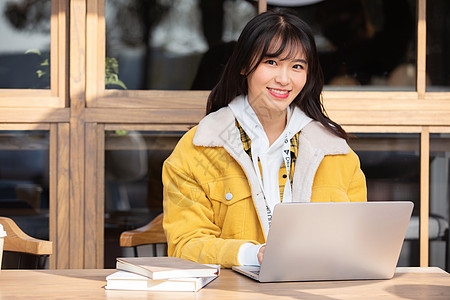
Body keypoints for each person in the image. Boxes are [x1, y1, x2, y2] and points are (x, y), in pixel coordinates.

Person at [162, 9, 367, 268]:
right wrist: (252, 254)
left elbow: (359, 239)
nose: (283, 79)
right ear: (245, 65)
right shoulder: (198, 149)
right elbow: (185, 245)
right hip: (232, 293)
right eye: (271, 62)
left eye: (297, 66)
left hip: (316, 288)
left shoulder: (336, 152)